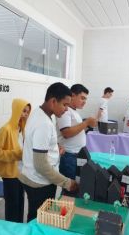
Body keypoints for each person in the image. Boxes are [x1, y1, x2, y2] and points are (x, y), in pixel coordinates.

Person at [19, 82, 78, 222]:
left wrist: (55, 148)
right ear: (53, 101)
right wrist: (67, 183)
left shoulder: (40, 113)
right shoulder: (43, 123)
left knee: (36, 216)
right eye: (65, 105)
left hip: (32, 177)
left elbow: (39, 142)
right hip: (40, 182)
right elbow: (40, 164)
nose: (66, 110)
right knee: (38, 220)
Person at [0, 99, 31, 222]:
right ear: (16, 110)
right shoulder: (6, 129)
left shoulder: (22, 129)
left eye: (27, 112)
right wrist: (16, 154)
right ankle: (11, 230)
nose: (25, 114)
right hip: (10, 174)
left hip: (21, 172)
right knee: (12, 205)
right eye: (23, 111)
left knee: (20, 203)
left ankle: (18, 228)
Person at [57, 84, 97, 196]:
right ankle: (65, 212)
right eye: (82, 98)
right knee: (71, 189)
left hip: (76, 155)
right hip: (69, 156)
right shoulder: (66, 111)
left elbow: (76, 131)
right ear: (73, 95)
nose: (84, 101)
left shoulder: (74, 111)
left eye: (86, 99)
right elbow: (66, 133)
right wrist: (86, 123)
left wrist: (87, 126)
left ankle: (69, 210)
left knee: (76, 188)